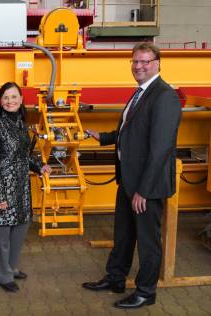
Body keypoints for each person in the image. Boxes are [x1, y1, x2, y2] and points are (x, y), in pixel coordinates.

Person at [82, 42, 182, 309]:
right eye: (135, 62)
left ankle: (146, 292)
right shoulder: (140, 93)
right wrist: (102, 137)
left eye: (145, 62)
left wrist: (144, 191)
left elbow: (160, 149)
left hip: (146, 187)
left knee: (148, 241)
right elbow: (131, 133)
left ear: (158, 63)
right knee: (124, 234)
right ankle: (115, 278)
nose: (139, 66)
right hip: (128, 180)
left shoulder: (164, 96)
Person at [0, 82, 51, 292]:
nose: (10, 101)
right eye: (5, 98)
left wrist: (40, 167)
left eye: (13, 97)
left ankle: (10, 267)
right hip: (2, 188)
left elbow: (23, 155)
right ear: (0, 102)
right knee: (2, 235)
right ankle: (3, 275)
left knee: (20, 229)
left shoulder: (21, 124)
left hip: (21, 188)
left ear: (21, 99)